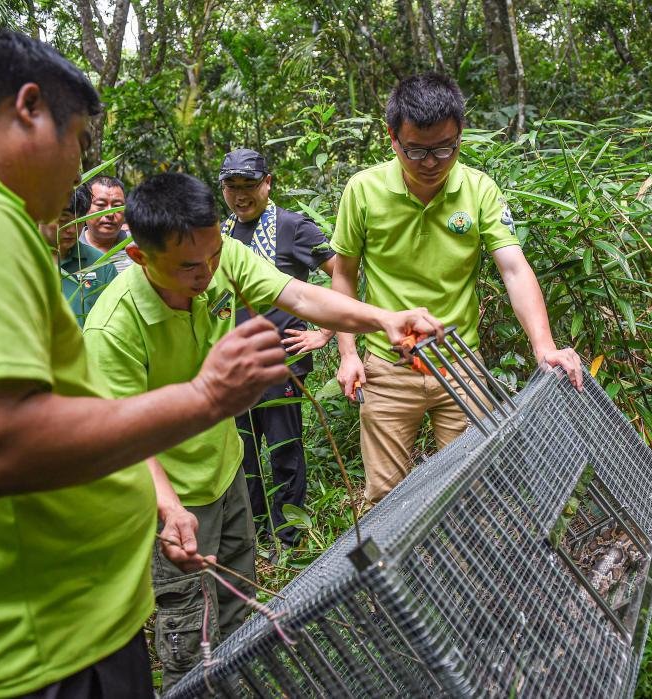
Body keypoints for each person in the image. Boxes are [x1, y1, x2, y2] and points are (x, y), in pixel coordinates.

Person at [0, 30, 295, 698]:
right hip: (44, 645)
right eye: (80, 139)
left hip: (37, 622)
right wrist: (206, 397)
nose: (81, 169)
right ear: (29, 108)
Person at [82, 172, 442, 688]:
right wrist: (168, 507)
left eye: (213, 256)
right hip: (169, 499)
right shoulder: (114, 326)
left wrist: (383, 319)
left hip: (225, 473)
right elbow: (122, 434)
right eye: (189, 266)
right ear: (141, 257)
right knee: (189, 631)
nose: (208, 271)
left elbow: (299, 295)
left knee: (235, 607)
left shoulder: (216, 253)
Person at [331, 72, 584, 508]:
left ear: (460, 135)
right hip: (389, 367)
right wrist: (349, 354)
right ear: (392, 138)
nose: (431, 162)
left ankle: (468, 575)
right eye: (416, 150)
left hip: (460, 363)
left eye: (444, 148)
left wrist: (544, 347)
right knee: (386, 500)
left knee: (475, 493)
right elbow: (344, 275)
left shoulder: (479, 189)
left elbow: (514, 270)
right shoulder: (364, 190)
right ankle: (400, 578)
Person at [220, 147, 336, 549]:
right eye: (232, 187)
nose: (240, 195)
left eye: (249, 185)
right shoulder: (222, 234)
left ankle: (289, 538)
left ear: (268, 184)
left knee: (284, 450)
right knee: (242, 453)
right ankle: (254, 533)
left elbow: (344, 273)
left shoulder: (293, 227)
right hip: (234, 366)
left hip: (281, 363)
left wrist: (324, 332)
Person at [39, 185, 118, 325]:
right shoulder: (21, 258)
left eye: (79, 222)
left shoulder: (101, 265)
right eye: (63, 221)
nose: (72, 230)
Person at [81, 174, 132, 273]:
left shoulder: (139, 247)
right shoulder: (71, 247)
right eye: (101, 205)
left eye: (117, 206)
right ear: (85, 207)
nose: (110, 213)